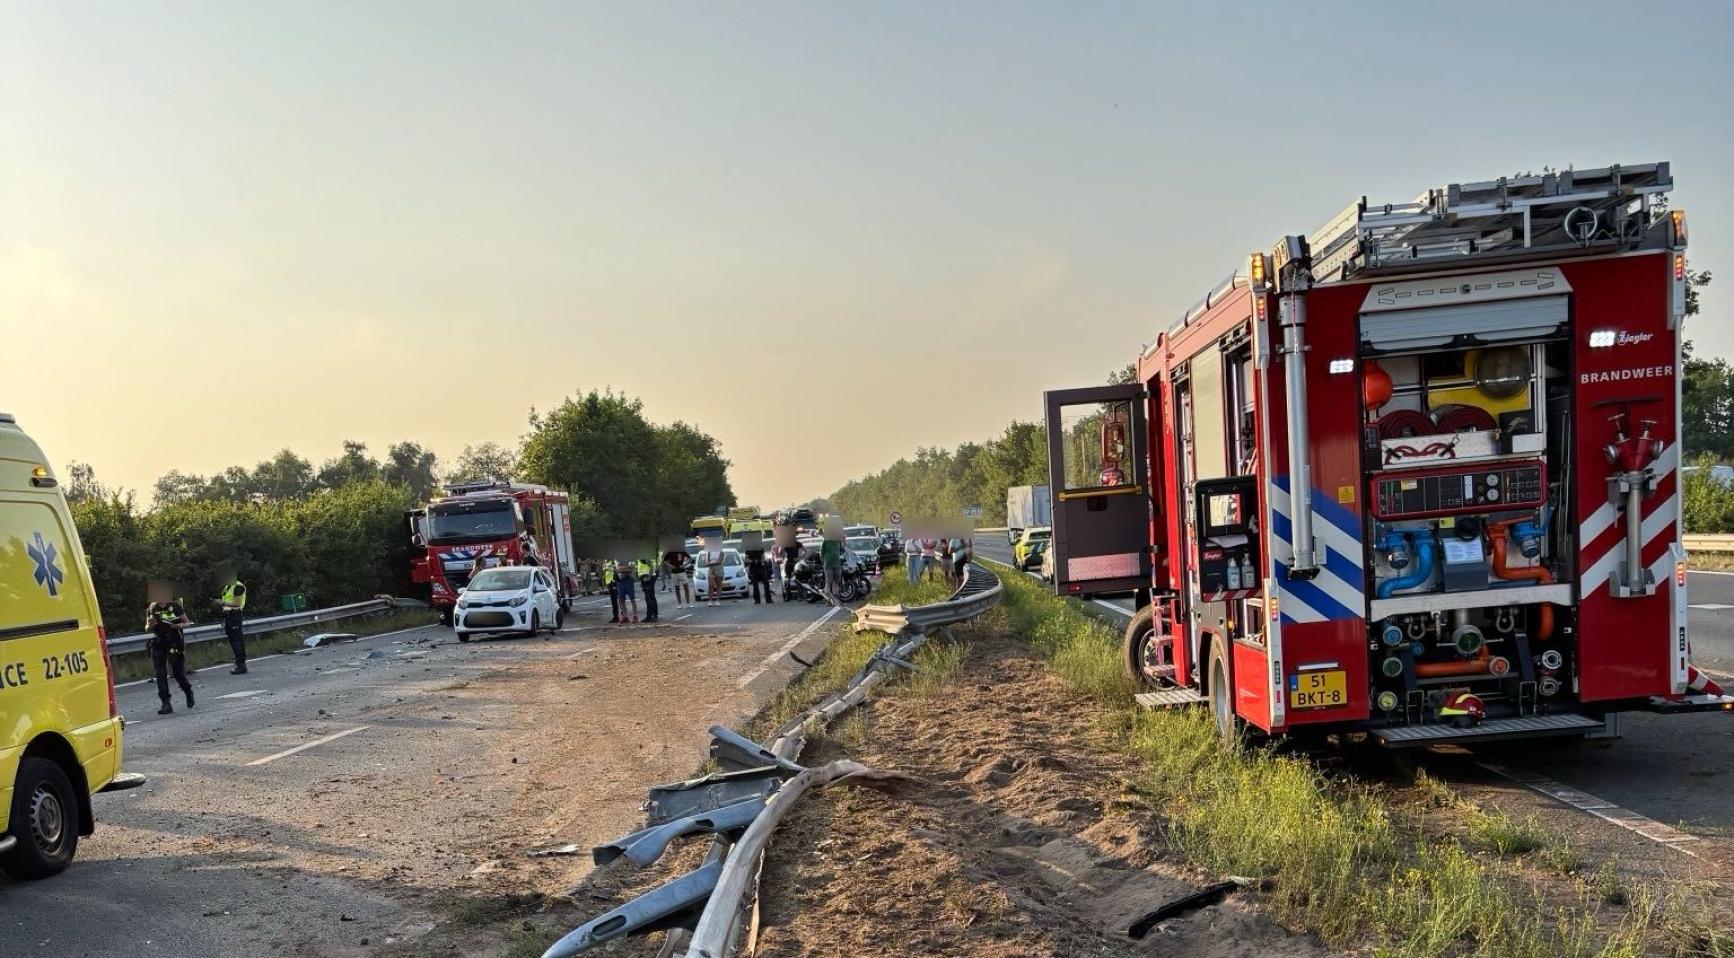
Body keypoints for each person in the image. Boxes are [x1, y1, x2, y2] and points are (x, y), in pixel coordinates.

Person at [146, 600, 195, 715]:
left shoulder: (174, 606)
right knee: (160, 673)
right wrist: (150, 625)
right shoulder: (152, 608)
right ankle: (166, 703)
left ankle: (188, 691)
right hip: (159, 642)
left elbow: (187, 622)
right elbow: (147, 627)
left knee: (178, 673)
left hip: (174, 641)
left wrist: (177, 625)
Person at [220, 577, 248, 674]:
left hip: (235, 615)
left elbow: (237, 603)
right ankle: (239, 663)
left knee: (237, 641)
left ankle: (241, 665)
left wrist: (222, 602)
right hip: (228, 615)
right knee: (233, 640)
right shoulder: (227, 587)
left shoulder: (238, 586)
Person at [820, 535, 844, 605]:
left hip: (837, 564)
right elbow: (821, 553)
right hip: (828, 564)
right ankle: (827, 599)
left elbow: (841, 550)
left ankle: (835, 598)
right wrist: (824, 562)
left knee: (836, 581)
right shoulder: (825, 541)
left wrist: (843, 541)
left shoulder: (838, 541)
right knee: (828, 582)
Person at [615, 558, 640, 623]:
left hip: (629, 579)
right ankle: (625, 617)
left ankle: (635, 616)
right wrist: (625, 568)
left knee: (632, 598)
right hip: (620, 580)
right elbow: (617, 568)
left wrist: (622, 568)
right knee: (621, 599)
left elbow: (631, 568)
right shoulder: (617, 558)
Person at [638, 557, 659, 622]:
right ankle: (650, 615)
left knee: (650, 597)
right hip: (645, 577)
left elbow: (652, 567)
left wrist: (649, 577)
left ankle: (652, 616)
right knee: (649, 597)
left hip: (647, 577)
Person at [704, 541, 725, 607]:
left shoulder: (721, 552)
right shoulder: (709, 551)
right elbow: (706, 561)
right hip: (711, 569)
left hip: (719, 569)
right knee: (711, 585)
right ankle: (710, 601)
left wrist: (710, 563)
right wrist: (709, 563)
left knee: (719, 585)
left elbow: (719, 561)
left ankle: (717, 600)